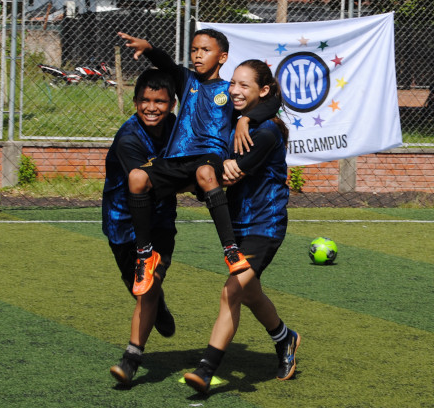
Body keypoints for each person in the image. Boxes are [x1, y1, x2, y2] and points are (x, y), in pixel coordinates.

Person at [116, 29, 282, 297]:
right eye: (194, 50)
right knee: (136, 177)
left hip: (209, 159)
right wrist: (149, 49)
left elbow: (273, 101)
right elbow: (167, 64)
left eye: (205, 50)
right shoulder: (187, 81)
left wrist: (244, 119)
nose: (198, 55)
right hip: (177, 160)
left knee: (206, 172)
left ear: (222, 57)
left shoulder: (229, 91)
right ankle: (145, 255)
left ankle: (230, 249)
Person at [182, 59, 299, 394]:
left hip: (265, 224)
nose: (233, 90)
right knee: (249, 292)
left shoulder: (266, 132)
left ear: (262, 91)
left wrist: (196, 176)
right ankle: (284, 337)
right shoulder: (237, 119)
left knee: (231, 290)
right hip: (237, 225)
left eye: (243, 85)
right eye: (232, 83)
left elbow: (230, 173)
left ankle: (205, 369)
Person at [103, 69, 179, 384]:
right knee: (137, 286)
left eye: (159, 101)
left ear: (172, 103)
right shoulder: (128, 139)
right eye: (145, 100)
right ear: (135, 103)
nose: (152, 107)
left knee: (147, 283)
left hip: (159, 222)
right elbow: (146, 182)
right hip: (123, 224)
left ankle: (131, 358)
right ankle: (156, 305)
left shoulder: (178, 129)